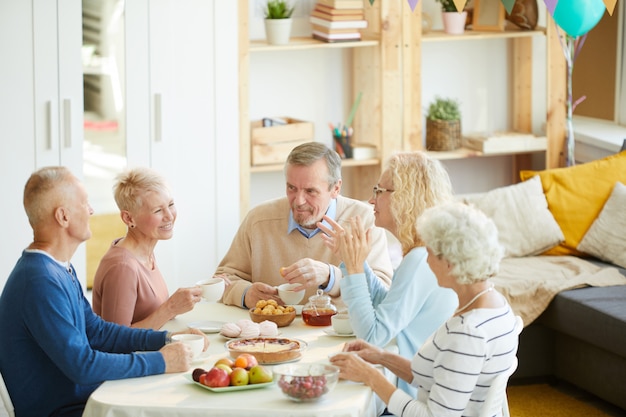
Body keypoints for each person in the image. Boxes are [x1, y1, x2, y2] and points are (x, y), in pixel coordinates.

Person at [0, 166, 207, 417]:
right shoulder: (38, 281)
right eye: (84, 203)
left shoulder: (57, 268)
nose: (91, 210)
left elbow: (98, 332)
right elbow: (82, 365)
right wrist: (162, 361)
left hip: (90, 399)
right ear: (63, 217)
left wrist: (164, 339)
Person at [330, 202, 519, 417]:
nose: (426, 262)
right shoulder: (496, 305)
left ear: (449, 262)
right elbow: (442, 377)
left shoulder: (468, 333)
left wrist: (371, 377)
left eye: (428, 253)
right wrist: (381, 357)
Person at [318, 151, 458, 397]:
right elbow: (388, 307)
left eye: (379, 191)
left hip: (411, 396)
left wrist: (353, 270)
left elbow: (374, 336)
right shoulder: (425, 252)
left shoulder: (420, 259)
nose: (371, 200)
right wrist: (354, 261)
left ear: (406, 197)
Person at [216, 142, 394, 309]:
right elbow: (222, 279)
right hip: (269, 336)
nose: (299, 201)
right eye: (291, 188)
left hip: (340, 337)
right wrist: (246, 294)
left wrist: (331, 277)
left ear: (336, 189)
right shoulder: (259, 220)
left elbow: (384, 295)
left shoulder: (364, 221)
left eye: (310, 191)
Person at [92, 167, 203, 329]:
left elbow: (148, 313)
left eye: (170, 204)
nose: (169, 216)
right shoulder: (122, 267)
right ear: (128, 218)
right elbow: (115, 342)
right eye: (158, 210)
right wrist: (170, 308)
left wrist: (182, 302)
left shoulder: (144, 254)